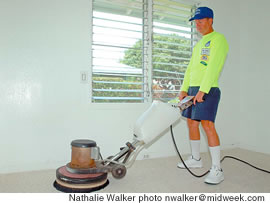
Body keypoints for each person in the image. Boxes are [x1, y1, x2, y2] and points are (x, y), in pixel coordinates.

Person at [177, 7, 229, 184]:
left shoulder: (218, 39)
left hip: (208, 89)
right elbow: (190, 68)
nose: (197, 24)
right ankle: (196, 159)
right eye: (195, 21)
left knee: (207, 125)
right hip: (193, 89)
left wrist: (203, 90)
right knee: (192, 123)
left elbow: (214, 66)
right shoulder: (199, 43)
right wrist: (184, 89)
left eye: (200, 20)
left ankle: (217, 169)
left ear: (210, 20)